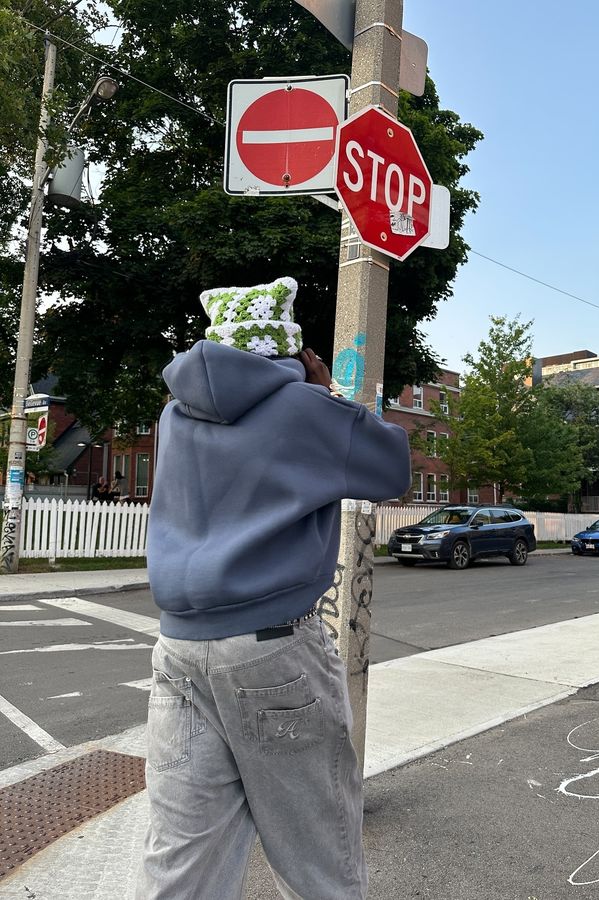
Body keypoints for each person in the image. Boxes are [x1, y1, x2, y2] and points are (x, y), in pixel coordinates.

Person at [137, 276, 411, 900]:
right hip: (272, 650)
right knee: (318, 855)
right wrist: (331, 395)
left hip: (177, 649)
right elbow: (390, 469)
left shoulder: (174, 415)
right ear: (286, 347)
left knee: (183, 858)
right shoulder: (304, 408)